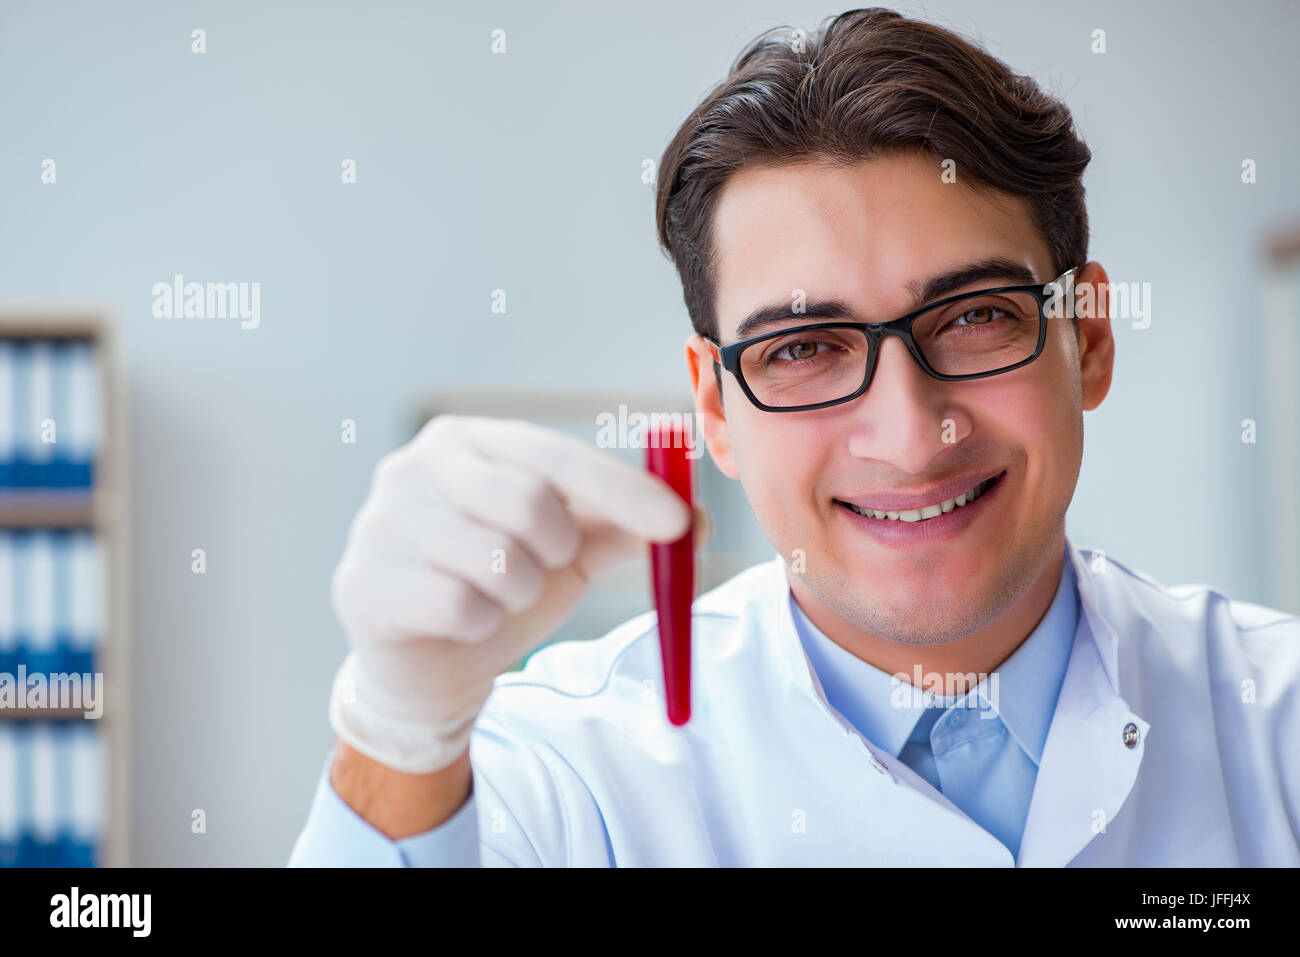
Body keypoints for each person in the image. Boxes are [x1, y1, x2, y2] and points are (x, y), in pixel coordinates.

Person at [289, 7, 1300, 866]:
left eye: (974, 317)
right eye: (804, 347)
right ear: (715, 409)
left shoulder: (1274, 719)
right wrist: (397, 734)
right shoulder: (563, 772)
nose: (910, 435)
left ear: (1087, 339)